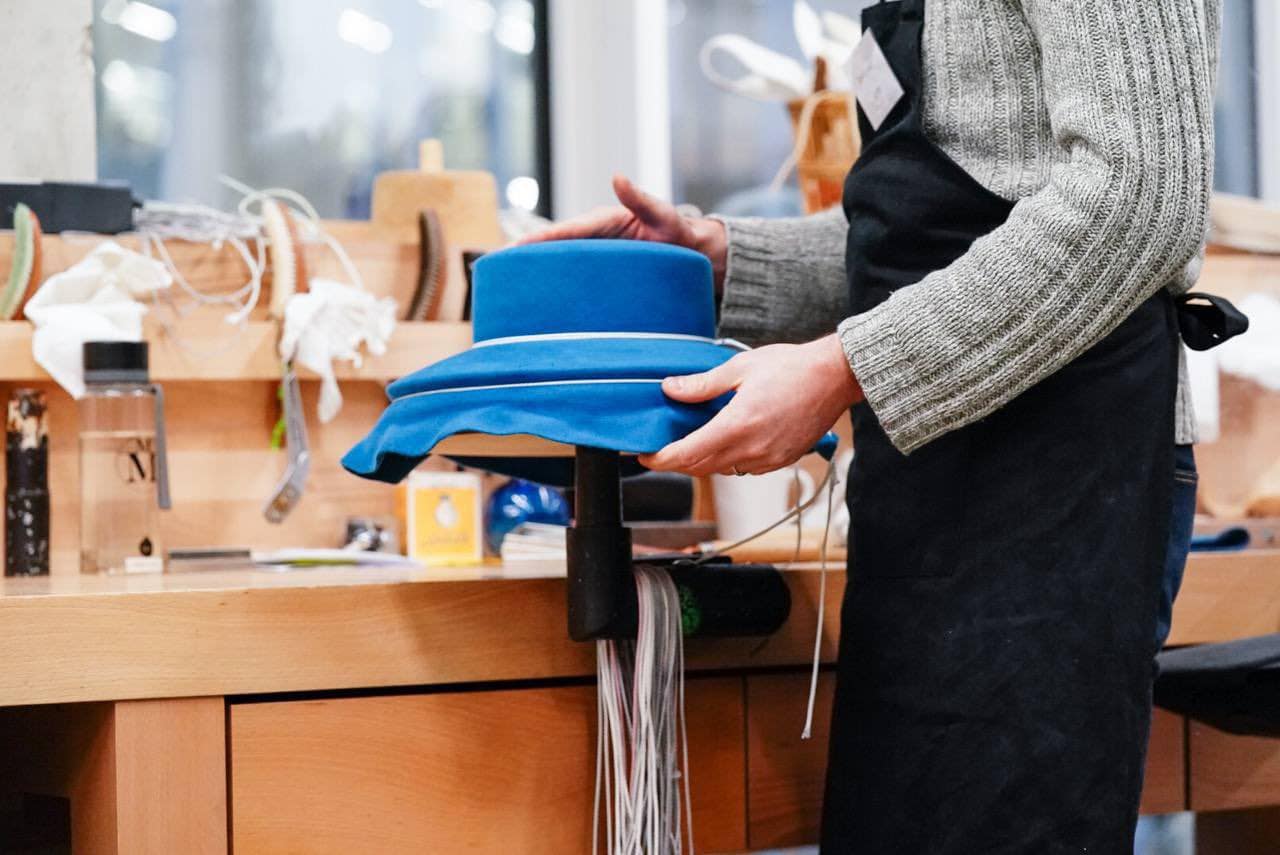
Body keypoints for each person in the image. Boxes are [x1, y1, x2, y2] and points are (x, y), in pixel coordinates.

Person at [525, 1, 1233, 850]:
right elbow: (932, 240)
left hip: (1065, 479)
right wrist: (725, 259)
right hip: (934, 487)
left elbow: (1140, 199)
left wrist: (840, 369)